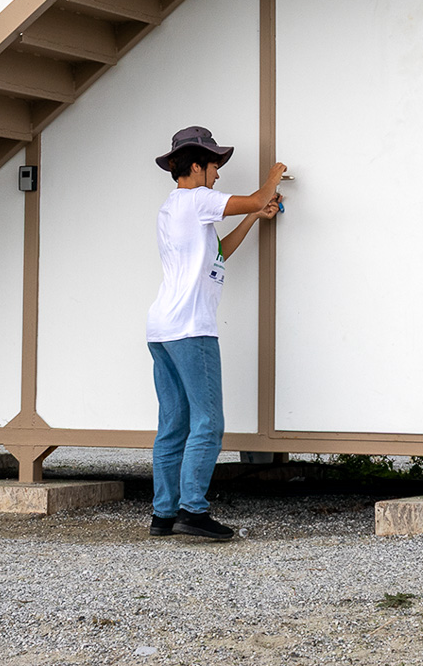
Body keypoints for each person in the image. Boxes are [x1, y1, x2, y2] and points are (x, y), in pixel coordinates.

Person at [146, 126, 285, 540]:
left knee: (173, 424)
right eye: (215, 166)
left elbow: (219, 253)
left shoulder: (172, 208)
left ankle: (163, 515)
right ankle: (193, 510)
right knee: (209, 422)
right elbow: (261, 196)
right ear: (195, 166)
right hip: (192, 329)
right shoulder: (197, 199)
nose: (219, 175)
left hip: (161, 329)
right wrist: (274, 177)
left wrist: (254, 219)